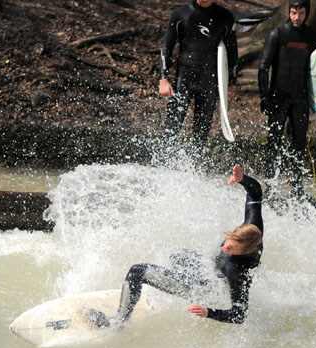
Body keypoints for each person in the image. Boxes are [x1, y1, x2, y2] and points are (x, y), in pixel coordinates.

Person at [89, 164, 263, 327]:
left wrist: (208, 312)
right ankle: (164, 285)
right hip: (209, 270)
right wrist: (243, 179)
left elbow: (240, 315)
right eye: (227, 241)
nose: (225, 247)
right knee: (175, 255)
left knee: (138, 271)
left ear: (247, 251)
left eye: (231, 249)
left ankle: (118, 322)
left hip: (206, 290)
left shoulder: (237, 273)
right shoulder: (253, 228)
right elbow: (256, 193)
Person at [258, 0, 316, 198]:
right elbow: (263, 68)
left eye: (301, 13)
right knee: (273, 142)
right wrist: (264, 97)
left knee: (299, 143)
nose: (297, 18)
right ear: (289, 12)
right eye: (293, 13)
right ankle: (269, 186)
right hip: (279, 96)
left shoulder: (312, 37)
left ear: (307, 13)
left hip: (300, 99)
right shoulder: (278, 34)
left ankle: (297, 187)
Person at [160, 0, 238, 149]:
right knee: (171, 128)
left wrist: (232, 82)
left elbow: (232, 52)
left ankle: (195, 168)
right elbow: (166, 48)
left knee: (201, 134)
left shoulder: (225, 17)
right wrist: (163, 78)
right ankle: (162, 164)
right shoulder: (180, 14)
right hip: (184, 79)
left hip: (209, 82)